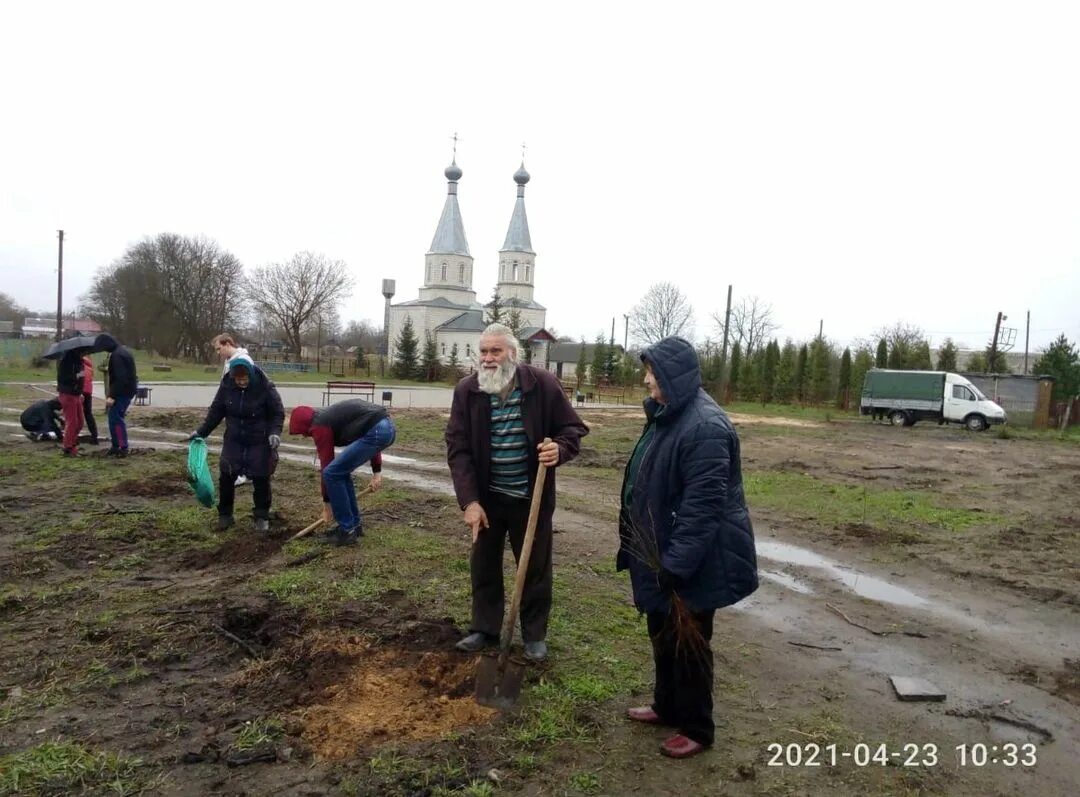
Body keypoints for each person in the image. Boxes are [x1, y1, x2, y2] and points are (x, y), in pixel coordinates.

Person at [617, 336, 758, 760]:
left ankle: (697, 726)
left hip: (695, 561)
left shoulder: (705, 428)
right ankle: (667, 705)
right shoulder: (668, 416)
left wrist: (675, 565)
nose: (645, 381)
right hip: (661, 553)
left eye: (652, 374)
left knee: (690, 641)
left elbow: (703, 508)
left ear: (673, 377)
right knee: (662, 630)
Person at [445, 323, 588, 663]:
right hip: (488, 498)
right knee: (484, 564)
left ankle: (534, 635)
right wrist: (470, 501)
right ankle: (484, 627)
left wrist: (560, 450)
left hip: (530, 498)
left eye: (495, 351)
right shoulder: (468, 391)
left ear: (513, 353)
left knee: (536, 568)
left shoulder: (542, 386)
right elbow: (458, 448)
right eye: (483, 351)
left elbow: (572, 429)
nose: (488, 358)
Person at [190, 355, 284, 533]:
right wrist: (201, 432)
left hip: (259, 439)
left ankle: (261, 516)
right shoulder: (227, 385)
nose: (241, 382)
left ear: (251, 375)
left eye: (244, 378)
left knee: (261, 477)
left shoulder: (265, 387)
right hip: (234, 439)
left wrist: (274, 433)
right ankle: (225, 515)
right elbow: (216, 411)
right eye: (238, 379)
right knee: (226, 475)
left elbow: (277, 413)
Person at [288, 399, 395, 546]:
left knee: (332, 473)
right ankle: (354, 526)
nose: (305, 436)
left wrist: (327, 505)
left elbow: (326, 466)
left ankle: (347, 531)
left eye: (302, 433)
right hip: (387, 427)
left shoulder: (319, 425)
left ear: (305, 425)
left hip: (377, 429)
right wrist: (377, 472)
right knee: (340, 472)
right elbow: (370, 427)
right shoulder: (330, 418)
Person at [212, 334, 253, 485]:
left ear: (228, 344)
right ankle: (241, 472)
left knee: (242, 441)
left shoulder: (242, 360)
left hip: (242, 410)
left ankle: (245, 473)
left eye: (219, 348)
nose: (218, 352)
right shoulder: (230, 361)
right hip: (232, 408)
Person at [99, 334, 138, 458]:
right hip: (128, 390)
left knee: (116, 419)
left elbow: (120, 378)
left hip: (122, 392)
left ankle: (122, 446)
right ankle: (116, 446)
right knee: (114, 418)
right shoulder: (123, 351)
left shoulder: (117, 356)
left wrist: (112, 396)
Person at [56, 349, 85, 456]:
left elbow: (81, 378)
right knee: (72, 422)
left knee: (80, 422)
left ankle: (71, 443)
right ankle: (68, 447)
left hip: (76, 394)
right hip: (68, 394)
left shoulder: (80, 361)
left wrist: (80, 391)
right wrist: (75, 377)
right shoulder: (66, 362)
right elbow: (64, 378)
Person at [81, 353, 100, 445]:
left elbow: (78, 378)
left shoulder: (80, 367)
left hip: (80, 392)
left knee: (75, 414)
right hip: (88, 392)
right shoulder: (90, 368)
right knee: (88, 414)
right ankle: (94, 435)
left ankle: (72, 436)